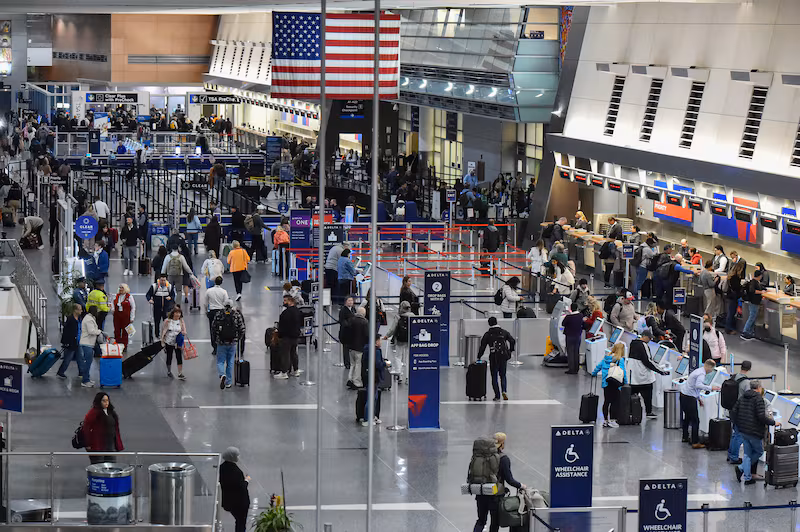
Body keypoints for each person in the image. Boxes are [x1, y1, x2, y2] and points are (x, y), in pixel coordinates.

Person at [471, 432, 525, 532]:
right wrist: (521, 485)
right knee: (494, 522)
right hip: (495, 495)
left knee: (481, 521)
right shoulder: (503, 459)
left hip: (481, 492)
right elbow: (509, 479)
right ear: (502, 443)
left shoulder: (481, 456)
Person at [731, 379, 779, 484]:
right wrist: (773, 422)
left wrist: (737, 424)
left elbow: (734, 410)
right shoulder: (759, 399)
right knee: (759, 451)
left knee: (747, 454)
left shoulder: (743, 396)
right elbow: (761, 416)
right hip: (754, 431)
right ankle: (741, 468)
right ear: (759, 388)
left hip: (743, 430)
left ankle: (747, 477)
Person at [628, 329, 670, 418]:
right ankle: (649, 412)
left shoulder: (633, 343)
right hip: (643, 377)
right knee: (647, 394)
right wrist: (660, 371)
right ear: (645, 337)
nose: (650, 340)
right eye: (650, 338)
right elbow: (647, 361)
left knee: (632, 395)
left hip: (633, 376)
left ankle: (631, 412)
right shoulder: (644, 345)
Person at [680, 359, 721, 448]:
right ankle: (695, 442)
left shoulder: (697, 371)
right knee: (695, 420)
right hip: (689, 398)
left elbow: (694, 387)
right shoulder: (702, 374)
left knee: (687, 417)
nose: (711, 371)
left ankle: (685, 437)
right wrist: (711, 388)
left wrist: (698, 398)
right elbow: (698, 385)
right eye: (712, 369)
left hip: (684, 395)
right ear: (709, 367)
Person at [478, 316, 516, 401]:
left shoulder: (487, 334)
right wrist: (510, 350)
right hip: (503, 356)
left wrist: (479, 356)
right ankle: (504, 391)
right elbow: (512, 340)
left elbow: (482, 346)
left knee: (494, 376)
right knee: (503, 375)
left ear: (489, 324)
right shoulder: (503, 332)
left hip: (494, 356)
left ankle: (497, 396)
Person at [591, 342, 627, 428]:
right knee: (615, 402)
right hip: (615, 383)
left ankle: (605, 420)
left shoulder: (606, 358)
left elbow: (598, 367)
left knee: (607, 401)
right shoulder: (620, 360)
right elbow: (623, 372)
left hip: (606, 383)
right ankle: (613, 420)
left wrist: (594, 373)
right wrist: (625, 382)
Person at [212, 300, 246, 388]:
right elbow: (242, 328)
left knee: (220, 361)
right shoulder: (236, 314)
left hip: (221, 342)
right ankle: (228, 382)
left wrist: (216, 337)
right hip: (232, 342)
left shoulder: (219, 314)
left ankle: (222, 374)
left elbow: (213, 327)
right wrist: (238, 338)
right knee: (230, 362)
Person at [83, 392, 124, 463]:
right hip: (97, 445)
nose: (106, 402)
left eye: (107, 400)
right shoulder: (93, 413)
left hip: (110, 444)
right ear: (99, 401)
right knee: (98, 464)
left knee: (111, 464)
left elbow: (116, 428)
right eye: (104, 401)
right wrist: (87, 443)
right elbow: (86, 428)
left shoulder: (111, 412)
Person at [219, 447, 250, 532]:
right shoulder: (236, 472)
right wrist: (246, 480)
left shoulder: (222, 468)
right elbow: (242, 486)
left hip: (228, 501)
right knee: (241, 523)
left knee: (238, 521)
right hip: (240, 503)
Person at [727, 360, 752, 465]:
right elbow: (748, 397)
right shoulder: (746, 383)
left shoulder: (734, 377)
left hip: (731, 408)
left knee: (734, 434)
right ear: (749, 369)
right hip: (740, 411)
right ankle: (734, 457)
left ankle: (730, 454)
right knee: (739, 435)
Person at [383, 301, 413, 384]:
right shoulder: (412, 316)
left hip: (400, 340)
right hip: (409, 340)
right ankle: (407, 378)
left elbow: (393, 329)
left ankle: (399, 374)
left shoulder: (398, 316)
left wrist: (387, 336)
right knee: (407, 358)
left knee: (398, 357)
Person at [360, 337, 387, 426]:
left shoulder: (367, 349)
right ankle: (367, 418)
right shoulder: (376, 351)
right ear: (376, 341)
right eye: (380, 340)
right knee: (371, 398)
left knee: (374, 397)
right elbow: (378, 364)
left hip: (367, 375)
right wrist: (385, 364)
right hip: (373, 376)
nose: (381, 342)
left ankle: (372, 416)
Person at [275, 294, 302, 379]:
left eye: (285, 301)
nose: (284, 302)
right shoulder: (298, 311)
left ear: (290, 301)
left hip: (286, 337)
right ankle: (296, 370)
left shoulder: (285, 313)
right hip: (295, 336)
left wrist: (279, 334)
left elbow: (282, 326)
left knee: (285, 354)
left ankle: (284, 372)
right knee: (294, 353)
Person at [57, 303, 83, 380]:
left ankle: (81, 372)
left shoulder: (79, 319)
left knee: (80, 357)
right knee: (68, 358)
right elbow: (66, 332)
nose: (81, 311)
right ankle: (61, 371)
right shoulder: (71, 320)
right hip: (71, 342)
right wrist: (66, 342)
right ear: (75, 310)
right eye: (80, 309)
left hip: (78, 341)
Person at [79, 306, 104, 388]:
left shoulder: (90, 318)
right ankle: (85, 381)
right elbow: (91, 331)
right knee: (88, 363)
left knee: (88, 362)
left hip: (89, 343)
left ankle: (87, 379)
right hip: (87, 344)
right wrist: (100, 331)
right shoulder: (89, 319)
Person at [160, 306, 187, 380]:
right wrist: (162, 341)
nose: (178, 315)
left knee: (179, 357)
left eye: (179, 313)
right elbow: (163, 331)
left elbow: (184, 331)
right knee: (169, 356)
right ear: (173, 313)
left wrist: (183, 333)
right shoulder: (167, 321)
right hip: (169, 342)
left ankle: (180, 373)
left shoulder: (181, 321)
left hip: (177, 342)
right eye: (176, 313)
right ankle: (169, 371)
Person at [347, 307, 369, 389]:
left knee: (352, 364)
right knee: (358, 364)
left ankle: (350, 378)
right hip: (359, 347)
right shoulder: (365, 322)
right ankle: (357, 382)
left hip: (351, 346)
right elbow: (367, 335)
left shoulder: (351, 320)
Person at [741, 269, 765, 340]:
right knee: (752, 317)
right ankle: (745, 332)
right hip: (753, 302)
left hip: (754, 302)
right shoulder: (753, 282)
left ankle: (750, 332)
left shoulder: (755, 282)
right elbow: (752, 290)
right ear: (759, 276)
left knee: (753, 317)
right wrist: (761, 292)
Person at [724, 259, 747, 335]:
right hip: (733, 297)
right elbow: (736, 287)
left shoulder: (730, 276)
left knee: (730, 312)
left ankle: (728, 328)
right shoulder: (735, 278)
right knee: (731, 313)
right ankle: (729, 329)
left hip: (730, 296)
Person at [111, 283, 135, 352]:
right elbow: (112, 303)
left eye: (122, 288)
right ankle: (117, 344)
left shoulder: (129, 297)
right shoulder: (116, 296)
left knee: (125, 331)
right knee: (117, 330)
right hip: (117, 316)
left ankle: (124, 345)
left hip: (126, 317)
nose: (121, 289)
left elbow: (133, 307)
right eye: (120, 287)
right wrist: (112, 309)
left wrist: (132, 317)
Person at [562, 302, 584, 375]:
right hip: (578, 336)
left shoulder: (568, 317)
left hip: (570, 336)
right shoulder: (580, 316)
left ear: (571, 308)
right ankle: (576, 368)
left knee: (570, 352)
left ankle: (571, 369)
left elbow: (563, 323)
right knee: (576, 351)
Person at [338, 295, 357, 369]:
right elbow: (342, 321)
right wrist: (350, 324)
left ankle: (352, 362)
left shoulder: (353, 309)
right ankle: (347, 363)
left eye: (351, 300)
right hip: (345, 333)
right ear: (345, 302)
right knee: (346, 349)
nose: (350, 302)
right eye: (349, 300)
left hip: (353, 333)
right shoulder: (343, 310)